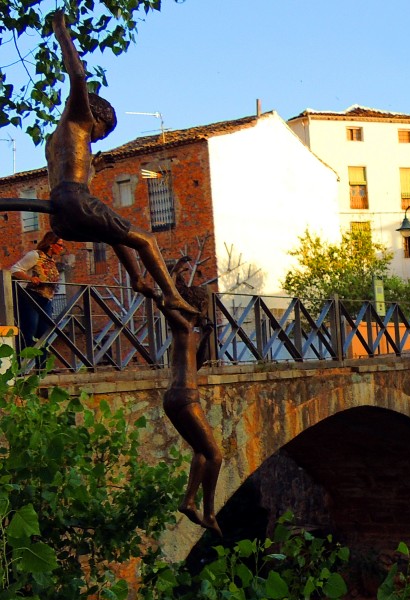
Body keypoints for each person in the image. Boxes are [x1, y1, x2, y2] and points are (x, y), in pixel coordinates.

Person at [46, 11, 194, 315]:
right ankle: (171, 295)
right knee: (147, 240)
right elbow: (77, 76)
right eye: (102, 133)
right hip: (75, 201)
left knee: (113, 233)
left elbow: (70, 179)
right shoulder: (78, 118)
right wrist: (61, 30)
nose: (98, 140)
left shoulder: (53, 142)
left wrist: (95, 168)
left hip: (59, 215)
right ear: (96, 116)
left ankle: (138, 280)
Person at [162, 258, 222, 535]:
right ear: (197, 308)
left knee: (201, 451)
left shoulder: (188, 334)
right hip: (185, 398)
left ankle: (189, 501)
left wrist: (207, 338)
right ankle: (209, 512)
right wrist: (171, 278)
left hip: (176, 398)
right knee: (215, 456)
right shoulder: (184, 328)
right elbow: (168, 302)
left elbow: (194, 367)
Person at [10, 232, 64, 347]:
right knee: (30, 331)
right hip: (31, 298)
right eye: (60, 245)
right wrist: (30, 278)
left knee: (45, 334)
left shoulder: (52, 261)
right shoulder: (35, 255)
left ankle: (42, 364)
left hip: (47, 300)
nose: (62, 248)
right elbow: (14, 269)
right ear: (51, 244)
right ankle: (25, 362)